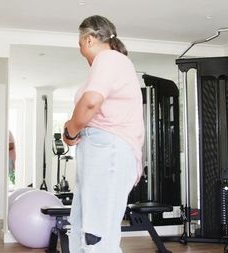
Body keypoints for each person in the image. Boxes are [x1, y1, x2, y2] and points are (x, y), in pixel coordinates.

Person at [63, 15, 144, 253]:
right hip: (98, 150)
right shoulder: (110, 63)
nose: (80, 49)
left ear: (88, 40)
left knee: (96, 236)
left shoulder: (108, 58)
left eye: (79, 43)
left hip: (109, 151)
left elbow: (90, 103)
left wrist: (70, 131)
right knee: (81, 229)